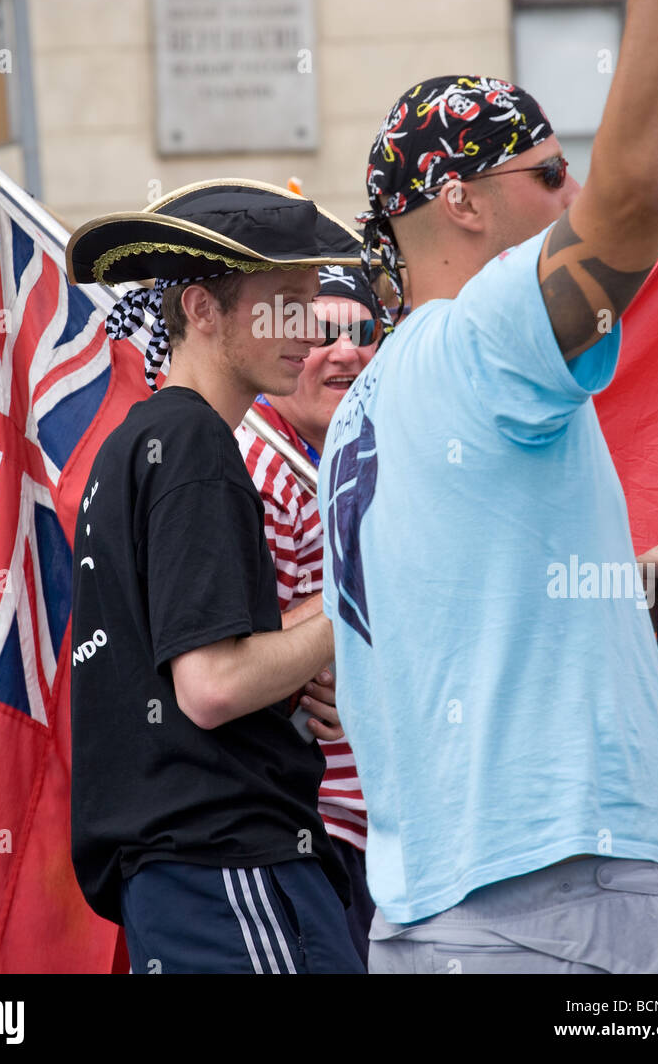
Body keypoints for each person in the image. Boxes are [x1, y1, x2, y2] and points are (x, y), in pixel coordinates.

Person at [318, 0, 658, 975]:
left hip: (441, 906)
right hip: (549, 900)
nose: (570, 193)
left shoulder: (362, 409)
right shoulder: (475, 338)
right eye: (549, 173)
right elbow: (649, 179)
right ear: (458, 199)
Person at [66, 179, 366, 975]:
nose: (308, 329)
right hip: (229, 862)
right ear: (201, 309)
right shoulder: (196, 444)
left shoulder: (143, 440)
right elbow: (212, 685)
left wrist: (296, 654)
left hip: (190, 869)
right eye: (285, 303)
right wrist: (357, 615)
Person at [236, 259, 382, 964]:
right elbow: (231, 659)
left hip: (379, 827)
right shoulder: (260, 468)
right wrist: (336, 645)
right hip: (307, 832)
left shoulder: (358, 454)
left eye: (363, 331)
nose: (347, 352)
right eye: (323, 334)